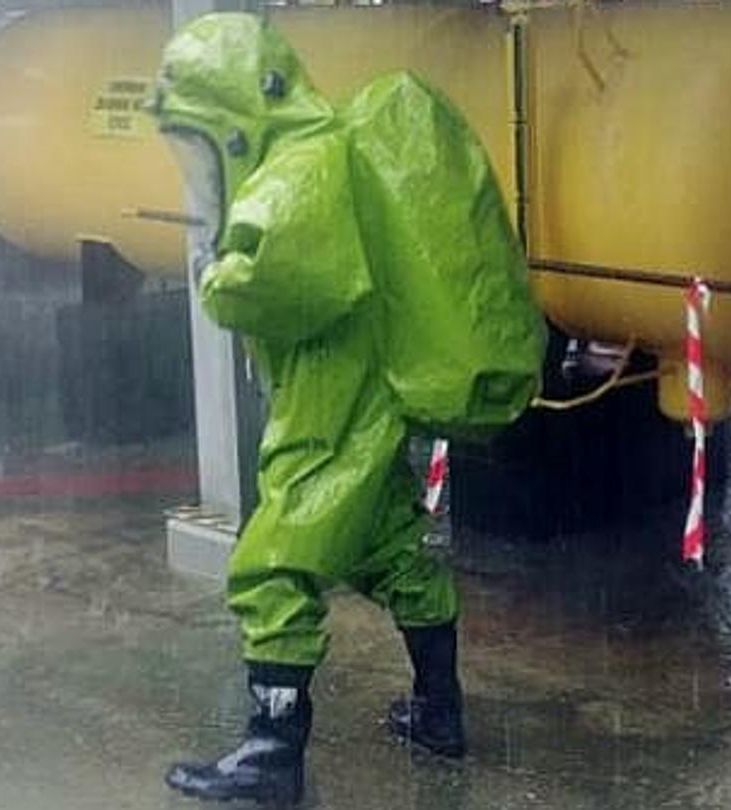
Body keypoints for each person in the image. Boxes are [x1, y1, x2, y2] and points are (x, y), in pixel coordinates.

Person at [147, 14, 544, 805]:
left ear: (233, 121)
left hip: (331, 388)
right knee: (387, 545)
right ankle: (439, 709)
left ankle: (272, 754)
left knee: (274, 558)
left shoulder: (302, 169)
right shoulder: (321, 155)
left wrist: (216, 277)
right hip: (362, 386)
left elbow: (283, 284)